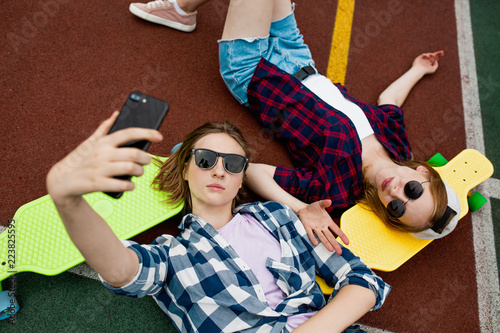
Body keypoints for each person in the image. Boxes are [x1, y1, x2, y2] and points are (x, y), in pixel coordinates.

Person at [128, 0, 462, 251]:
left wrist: (301, 208)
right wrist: (419, 69)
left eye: (397, 208)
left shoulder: (335, 190)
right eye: (413, 191)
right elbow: (390, 103)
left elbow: (253, 172)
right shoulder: (398, 145)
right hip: (297, 55)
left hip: (253, 72)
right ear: (424, 174)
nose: (395, 193)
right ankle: (180, 9)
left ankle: (179, 8)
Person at [46, 116, 391, 332]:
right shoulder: (174, 253)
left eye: (234, 163)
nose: (219, 170)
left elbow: (362, 280)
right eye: (206, 159)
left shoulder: (279, 216)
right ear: (185, 168)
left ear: (242, 179)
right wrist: (68, 201)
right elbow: (124, 271)